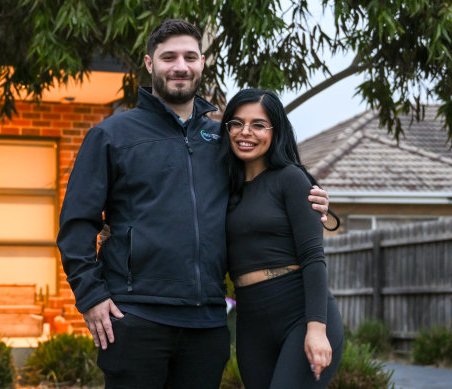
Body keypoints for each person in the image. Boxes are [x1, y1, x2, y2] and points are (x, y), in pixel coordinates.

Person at [57, 19, 330, 389]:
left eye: (189, 56)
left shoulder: (222, 140)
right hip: (136, 317)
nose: (180, 66)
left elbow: (264, 188)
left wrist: (311, 201)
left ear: (202, 63)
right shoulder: (110, 136)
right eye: (168, 57)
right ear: (150, 64)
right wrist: (91, 296)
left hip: (206, 324)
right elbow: (76, 225)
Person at [222, 88, 344, 388]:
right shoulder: (222, 186)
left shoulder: (291, 179)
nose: (245, 132)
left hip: (299, 314)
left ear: (275, 131)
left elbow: (314, 257)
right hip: (250, 318)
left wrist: (316, 328)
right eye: (236, 123)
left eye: (258, 125)